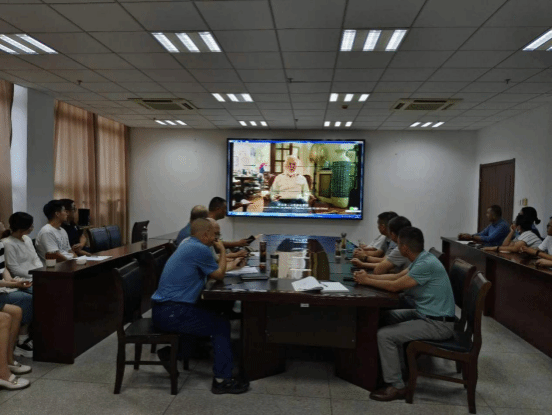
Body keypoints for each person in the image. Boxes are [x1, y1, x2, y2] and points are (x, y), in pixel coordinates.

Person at [353, 227, 455, 402]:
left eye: (398, 244)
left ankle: (397, 387)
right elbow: (396, 278)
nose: (396, 247)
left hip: (438, 323)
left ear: (405, 248)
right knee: (384, 317)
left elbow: (395, 286)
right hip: (427, 314)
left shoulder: (425, 264)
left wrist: (367, 280)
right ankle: (390, 368)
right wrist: (367, 278)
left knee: (385, 335)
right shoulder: (422, 258)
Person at [151, 218, 249, 394]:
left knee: (215, 312)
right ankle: (222, 380)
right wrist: (222, 249)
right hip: (172, 311)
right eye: (214, 235)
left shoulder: (188, 242)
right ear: (204, 235)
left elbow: (211, 272)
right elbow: (218, 274)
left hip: (164, 309)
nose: (216, 239)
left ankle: (174, 353)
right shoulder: (199, 249)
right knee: (220, 324)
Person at [0, 240, 34, 367]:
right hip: (3, 289)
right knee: (23, 302)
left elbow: (3, 269)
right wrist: (13, 284)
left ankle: (10, 357)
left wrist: (12, 281)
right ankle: (21, 341)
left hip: (4, 287)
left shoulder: (0, 245)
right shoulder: (7, 242)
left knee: (35, 292)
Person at [1, 212, 42, 280]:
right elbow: (14, 269)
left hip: (36, 274)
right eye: (30, 226)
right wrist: (34, 275)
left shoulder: (27, 239)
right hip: (22, 278)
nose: (32, 228)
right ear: (22, 228)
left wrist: (41, 272)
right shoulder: (7, 243)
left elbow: (35, 258)